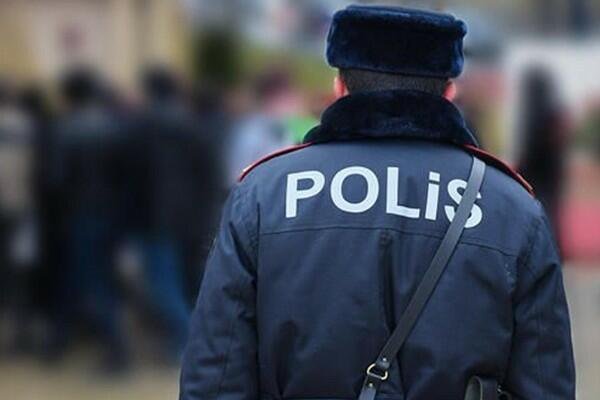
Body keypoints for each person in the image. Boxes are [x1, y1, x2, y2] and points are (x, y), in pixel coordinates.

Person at [180, 6, 575, 400]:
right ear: (450, 93)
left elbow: (216, 378)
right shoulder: (513, 210)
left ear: (339, 87)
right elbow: (545, 383)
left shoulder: (262, 195)